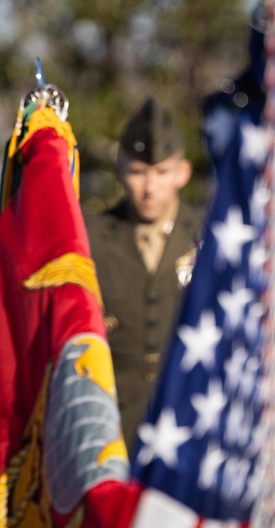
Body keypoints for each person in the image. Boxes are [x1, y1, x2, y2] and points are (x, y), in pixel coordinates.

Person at [84, 98, 200, 451]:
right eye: (138, 172)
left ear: (183, 173)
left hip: (189, 415)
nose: (150, 188)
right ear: (120, 171)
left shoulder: (210, 235)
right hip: (111, 421)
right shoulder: (88, 237)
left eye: (162, 172)